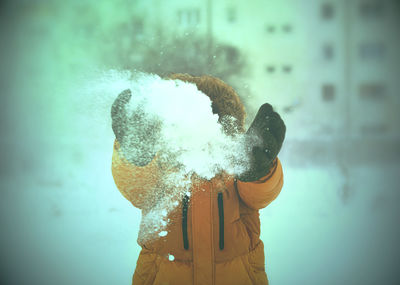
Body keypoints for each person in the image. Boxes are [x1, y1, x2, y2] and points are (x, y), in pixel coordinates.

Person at [111, 73, 286, 285]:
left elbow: (260, 196)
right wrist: (135, 157)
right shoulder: (160, 165)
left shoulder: (236, 163)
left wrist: (261, 171)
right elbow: (138, 190)